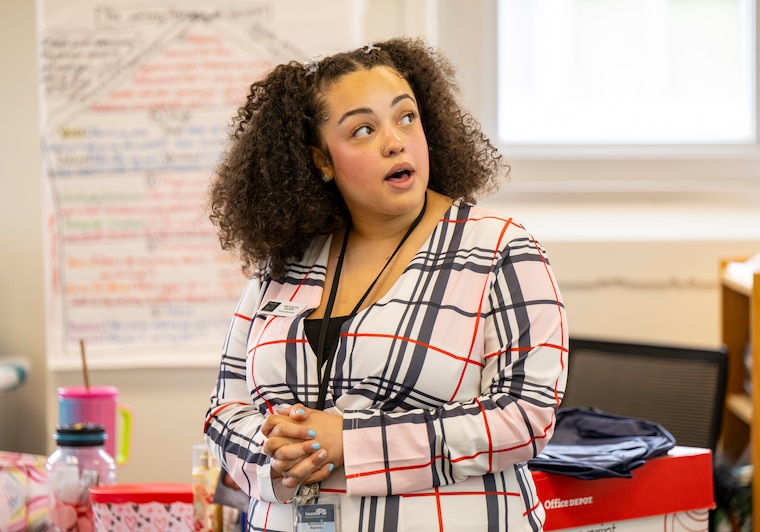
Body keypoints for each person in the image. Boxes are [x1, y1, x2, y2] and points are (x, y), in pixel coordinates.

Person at [203, 36, 568, 532]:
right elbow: (226, 408)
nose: (394, 140)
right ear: (321, 161)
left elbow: (525, 415)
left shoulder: (500, 248)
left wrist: (349, 441)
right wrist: (280, 461)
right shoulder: (286, 264)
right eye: (362, 130)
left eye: (406, 117)